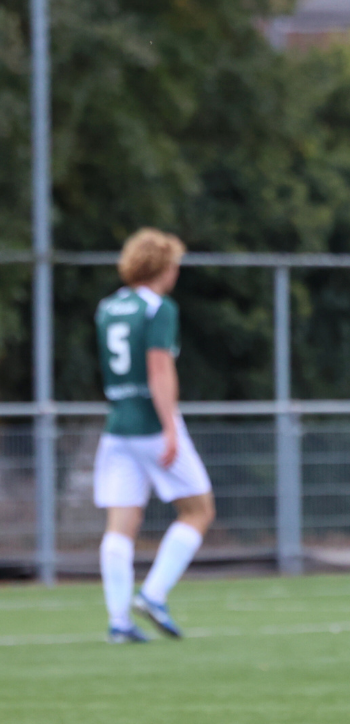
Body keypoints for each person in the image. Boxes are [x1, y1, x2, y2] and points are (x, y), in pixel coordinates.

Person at [93, 228, 216, 643]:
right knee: (198, 509)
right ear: (163, 266)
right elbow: (159, 369)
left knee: (120, 523)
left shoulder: (108, 307)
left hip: (117, 426)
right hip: (150, 422)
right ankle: (154, 594)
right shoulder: (157, 308)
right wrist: (169, 428)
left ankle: (118, 621)